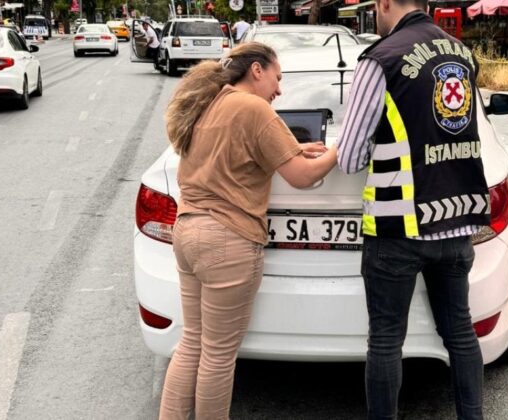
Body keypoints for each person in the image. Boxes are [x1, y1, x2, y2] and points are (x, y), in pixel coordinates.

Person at [158, 42, 337, 420]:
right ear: (257, 70)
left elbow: (236, 151)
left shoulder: (209, 103)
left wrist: (293, 147)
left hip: (188, 233)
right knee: (219, 355)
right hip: (228, 240)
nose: (280, 89)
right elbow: (302, 178)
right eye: (277, 77)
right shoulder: (255, 109)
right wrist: (340, 149)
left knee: (191, 343)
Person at [336, 0, 489, 418]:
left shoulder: (381, 59)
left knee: (386, 341)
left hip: (397, 227)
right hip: (456, 221)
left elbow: (349, 158)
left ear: (385, 3)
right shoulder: (460, 53)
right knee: (460, 331)